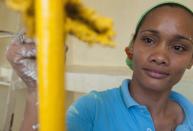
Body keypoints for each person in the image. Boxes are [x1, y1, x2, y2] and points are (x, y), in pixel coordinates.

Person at [5, 1, 193, 131]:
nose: (160, 56)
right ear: (130, 49)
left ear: (191, 60)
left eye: (178, 47)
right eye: (149, 40)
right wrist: (38, 91)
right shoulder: (91, 110)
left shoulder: (189, 115)